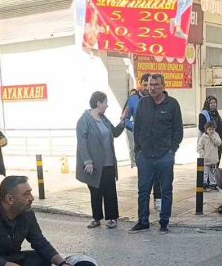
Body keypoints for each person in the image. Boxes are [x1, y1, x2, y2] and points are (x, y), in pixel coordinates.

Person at [131, 74, 183, 234]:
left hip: (164, 156)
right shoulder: (143, 104)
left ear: (163, 86)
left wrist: (171, 149)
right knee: (143, 191)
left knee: (166, 190)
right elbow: (137, 127)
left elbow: (178, 130)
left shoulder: (172, 104)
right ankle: (143, 221)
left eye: (155, 84)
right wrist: (138, 149)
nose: (152, 88)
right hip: (145, 155)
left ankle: (164, 223)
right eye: (149, 85)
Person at [77, 91, 126, 229]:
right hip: (94, 163)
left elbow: (115, 133)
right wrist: (87, 161)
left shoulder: (104, 119)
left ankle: (111, 218)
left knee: (110, 190)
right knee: (95, 191)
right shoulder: (85, 120)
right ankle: (96, 218)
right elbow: (82, 142)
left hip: (109, 162)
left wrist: (123, 121)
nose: (107, 105)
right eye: (105, 102)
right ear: (99, 104)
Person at [124, 74, 162, 209]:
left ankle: (158, 198)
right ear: (140, 84)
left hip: (157, 144)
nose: (148, 88)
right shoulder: (133, 100)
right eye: (145, 85)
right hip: (141, 145)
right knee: (144, 176)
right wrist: (135, 127)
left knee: (158, 173)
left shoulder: (157, 99)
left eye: (150, 85)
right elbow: (125, 118)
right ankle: (144, 206)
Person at [197, 121, 222, 191]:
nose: (211, 131)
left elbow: (219, 143)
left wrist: (213, 137)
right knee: (205, 172)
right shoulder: (203, 137)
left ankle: (212, 184)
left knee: (212, 172)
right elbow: (199, 147)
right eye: (209, 129)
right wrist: (202, 154)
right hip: (205, 159)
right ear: (206, 130)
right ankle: (204, 184)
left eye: (212, 129)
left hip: (213, 159)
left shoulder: (216, 135)